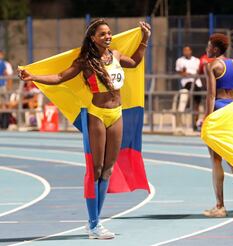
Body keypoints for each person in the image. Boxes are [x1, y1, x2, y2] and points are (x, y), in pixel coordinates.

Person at [18, 19, 151, 239]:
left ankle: (94, 224)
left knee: (108, 169)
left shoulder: (115, 55)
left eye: (109, 33)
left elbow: (135, 62)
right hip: (96, 115)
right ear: (92, 38)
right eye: (102, 34)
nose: (108, 37)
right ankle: (93, 223)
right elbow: (60, 77)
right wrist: (33, 77)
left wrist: (144, 40)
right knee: (96, 169)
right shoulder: (85, 62)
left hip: (116, 114)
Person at [200, 33, 233, 217]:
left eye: (208, 46)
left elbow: (211, 95)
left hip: (219, 111)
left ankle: (220, 206)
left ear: (215, 48)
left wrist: (207, 119)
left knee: (216, 160)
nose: (206, 49)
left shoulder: (212, 66)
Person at [175, 45, 202, 129]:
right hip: (186, 84)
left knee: (197, 104)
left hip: (197, 83)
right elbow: (180, 72)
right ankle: (180, 122)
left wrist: (192, 75)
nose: (186, 52)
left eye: (187, 50)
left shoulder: (197, 60)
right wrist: (186, 74)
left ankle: (195, 123)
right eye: (184, 50)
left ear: (191, 51)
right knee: (190, 86)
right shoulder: (180, 60)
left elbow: (199, 72)